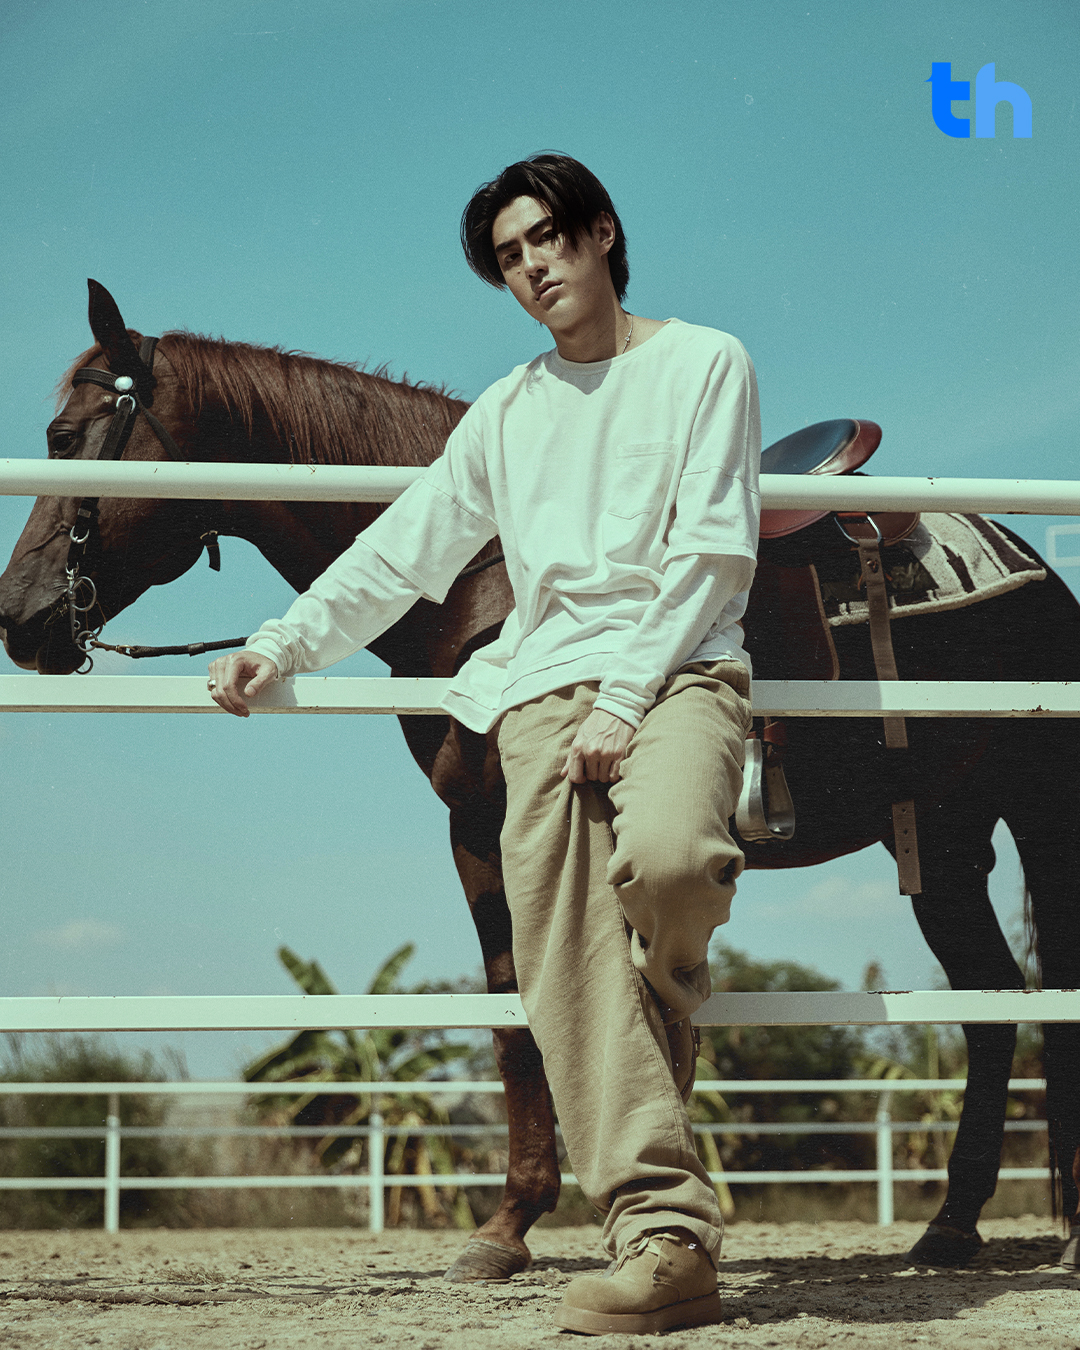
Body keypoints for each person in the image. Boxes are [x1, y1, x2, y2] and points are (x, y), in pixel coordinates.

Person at [208, 152, 760, 1335]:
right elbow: (402, 550)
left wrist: (626, 699)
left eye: (548, 238)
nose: (533, 268)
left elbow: (714, 550)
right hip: (542, 697)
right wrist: (280, 645)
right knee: (564, 950)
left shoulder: (706, 362)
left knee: (672, 864)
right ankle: (664, 1238)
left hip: (679, 674)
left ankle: (658, 1007)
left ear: (602, 233)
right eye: (510, 258)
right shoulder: (507, 412)